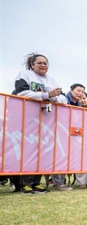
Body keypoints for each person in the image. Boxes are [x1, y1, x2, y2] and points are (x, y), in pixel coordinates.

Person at [12, 53, 69, 194]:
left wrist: (53, 98)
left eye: (45, 63)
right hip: (26, 120)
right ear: (32, 65)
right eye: (39, 62)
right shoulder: (24, 74)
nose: (43, 65)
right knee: (26, 151)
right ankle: (25, 183)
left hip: (46, 121)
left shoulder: (52, 80)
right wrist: (46, 95)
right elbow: (21, 93)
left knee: (42, 152)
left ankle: (36, 183)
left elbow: (63, 99)